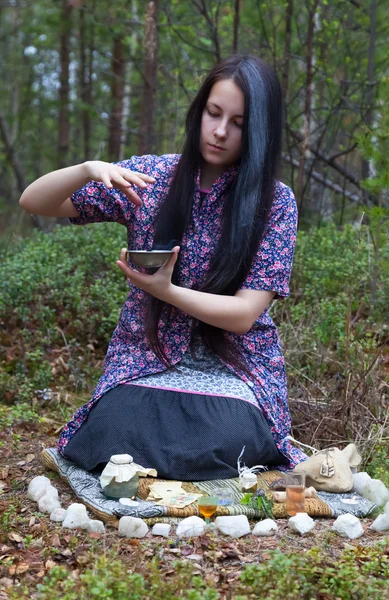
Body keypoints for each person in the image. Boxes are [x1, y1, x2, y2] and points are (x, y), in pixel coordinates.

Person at [19, 54, 306, 480]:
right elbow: (34, 201)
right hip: (146, 360)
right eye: (213, 113)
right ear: (199, 112)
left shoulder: (274, 203)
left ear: (259, 130)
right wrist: (86, 170)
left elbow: (245, 316)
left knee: (228, 439)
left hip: (234, 371)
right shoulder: (151, 177)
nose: (221, 131)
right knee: (111, 432)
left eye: (239, 123)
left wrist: (165, 291)